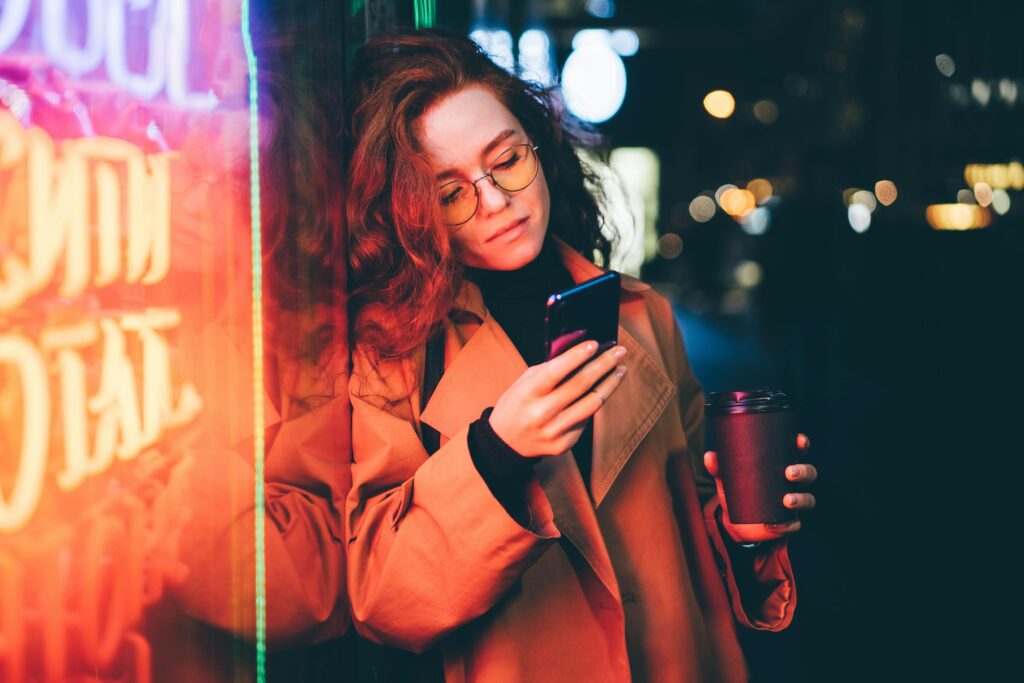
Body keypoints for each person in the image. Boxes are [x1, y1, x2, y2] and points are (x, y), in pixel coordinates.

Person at [344, 28, 817, 682]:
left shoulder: (640, 314)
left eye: (506, 159)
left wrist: (742, 530)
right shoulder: (392, 355)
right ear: (414, 212)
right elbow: (384, 598)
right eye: (450, 192)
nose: (495, 202)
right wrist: (496, 450)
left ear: (539, 149)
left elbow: (692, 524)